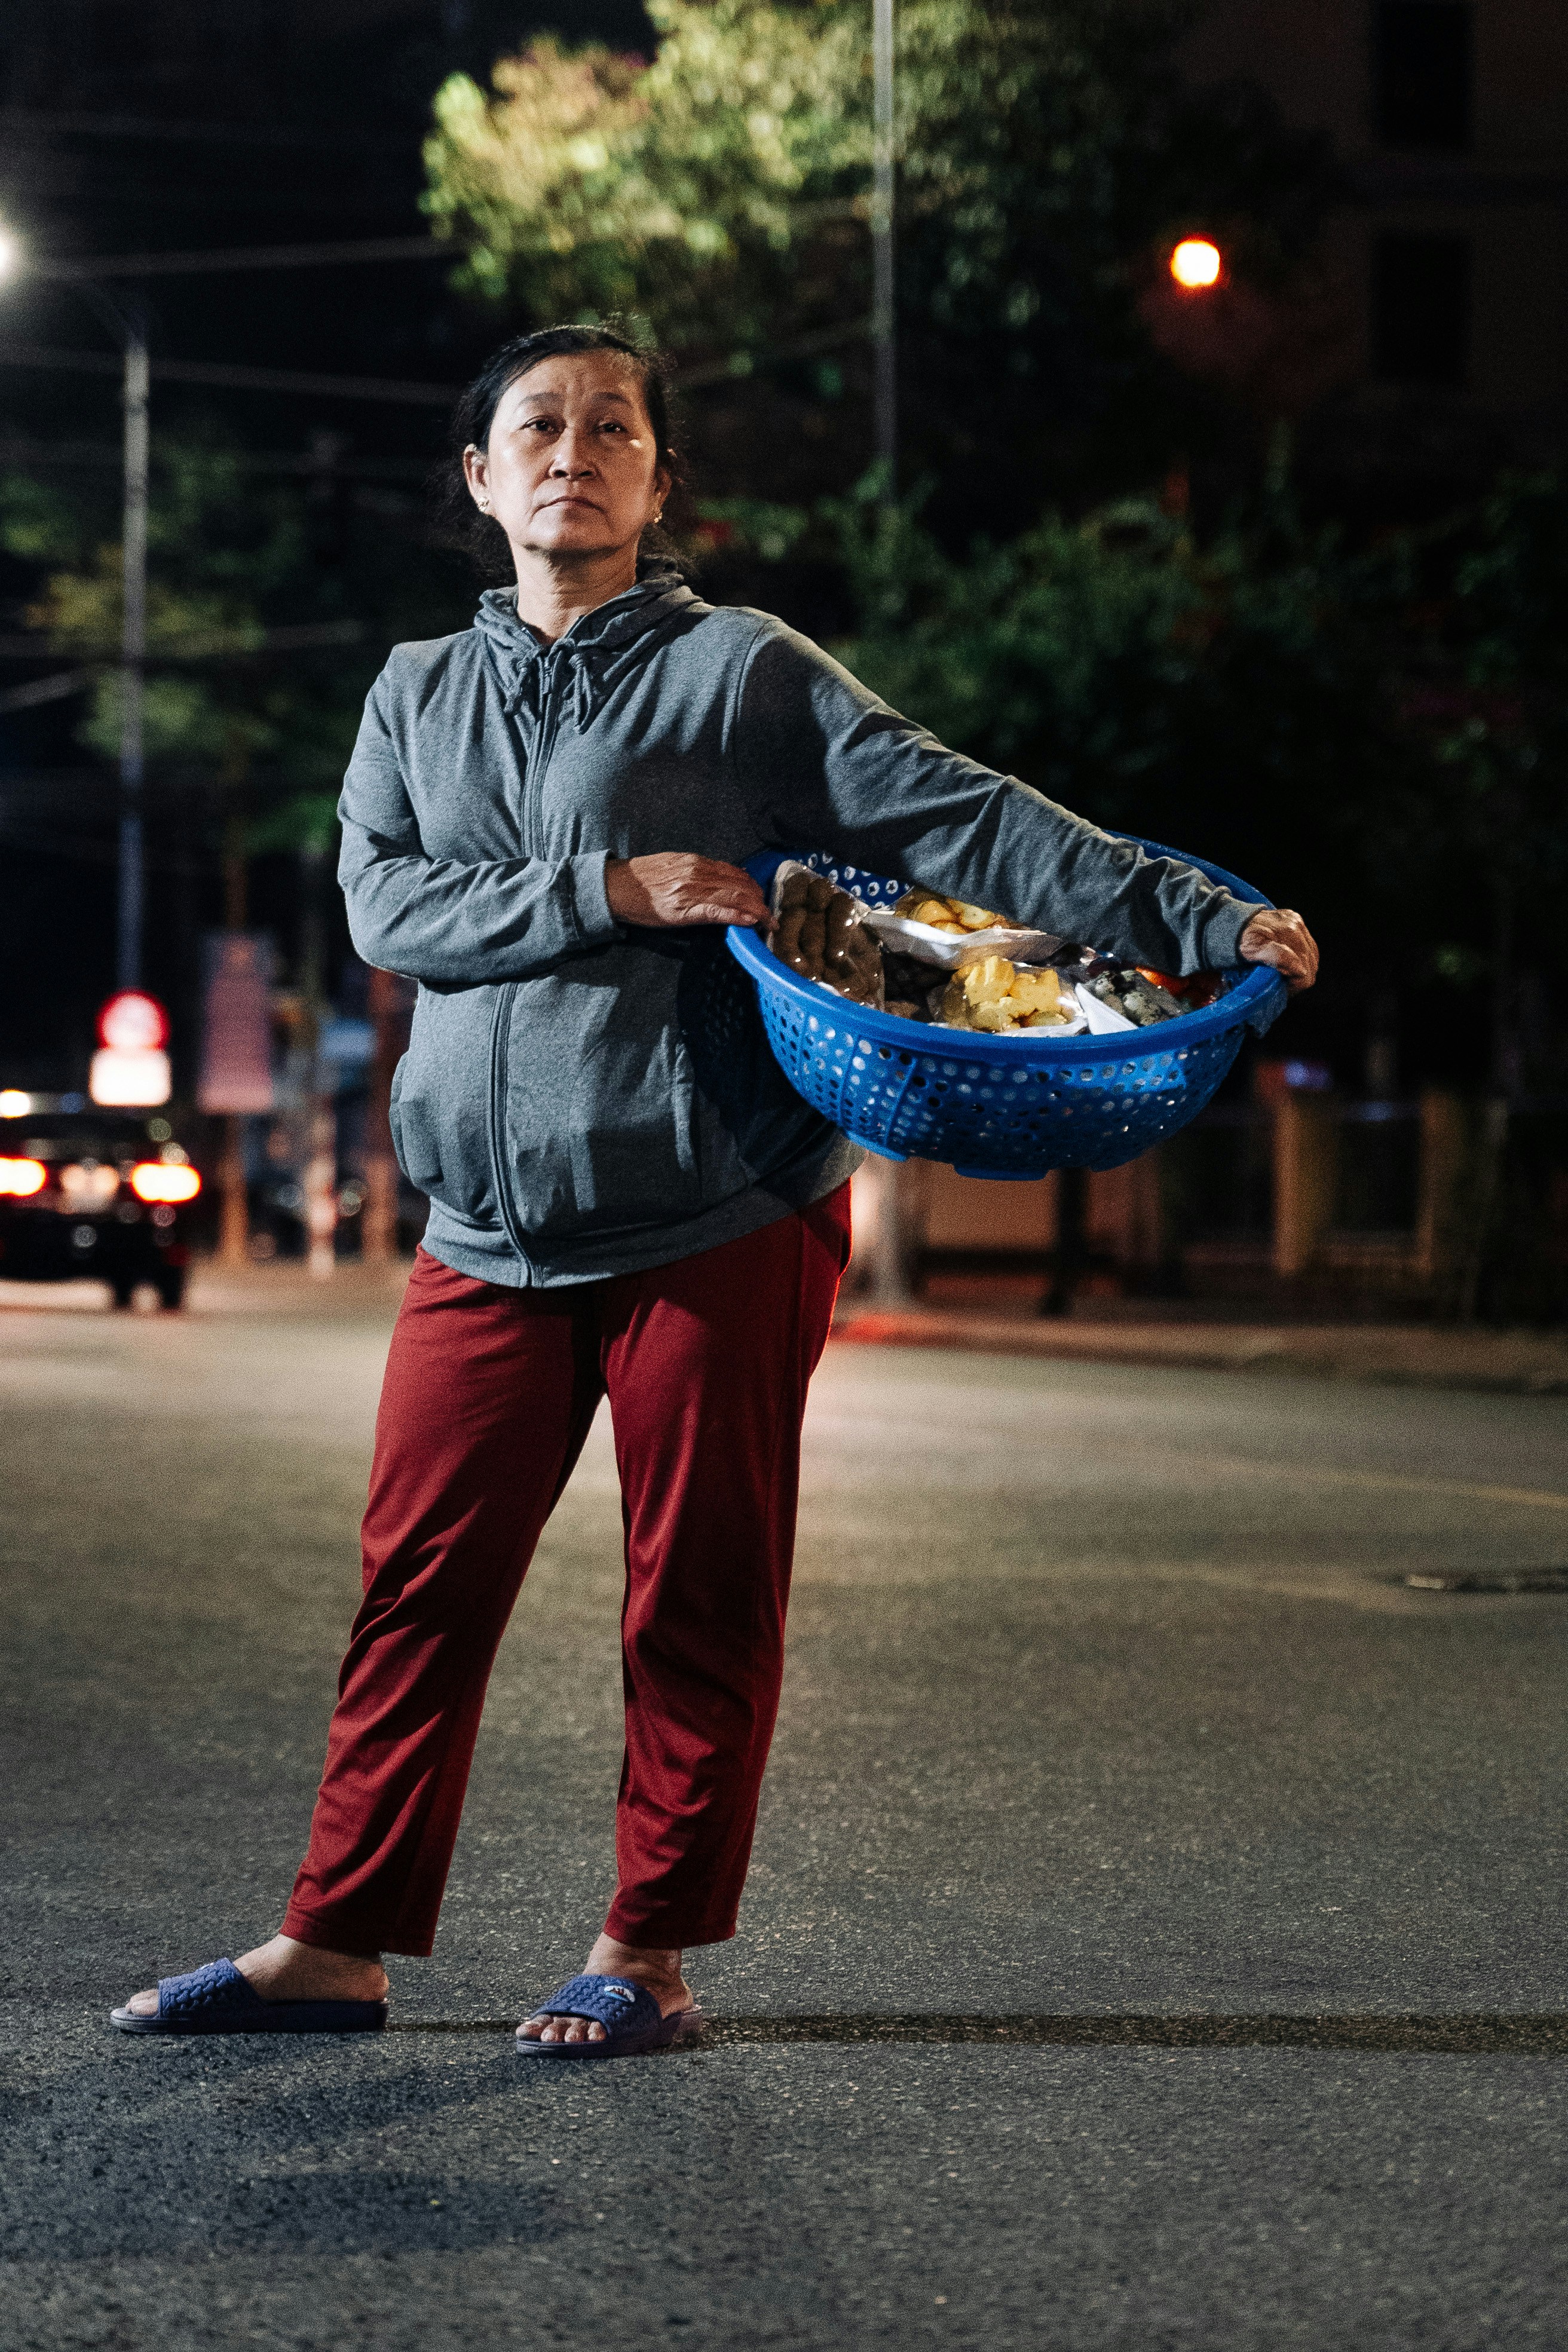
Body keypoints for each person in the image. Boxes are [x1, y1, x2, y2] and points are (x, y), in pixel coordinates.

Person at [113, 324, 1318, 2054]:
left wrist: (1199, 920)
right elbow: (392, 912)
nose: (573, 451)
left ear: (660, 480)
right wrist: (618, 883)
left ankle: (647, 1952)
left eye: (616, 427)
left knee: (699, 1586)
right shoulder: (412, 695)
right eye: (537, 426)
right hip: (484, 1230)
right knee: (418, 1584)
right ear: (479, 477)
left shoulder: (744, 673)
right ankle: (339, 1942)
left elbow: (961, 817)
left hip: (717, 1207)